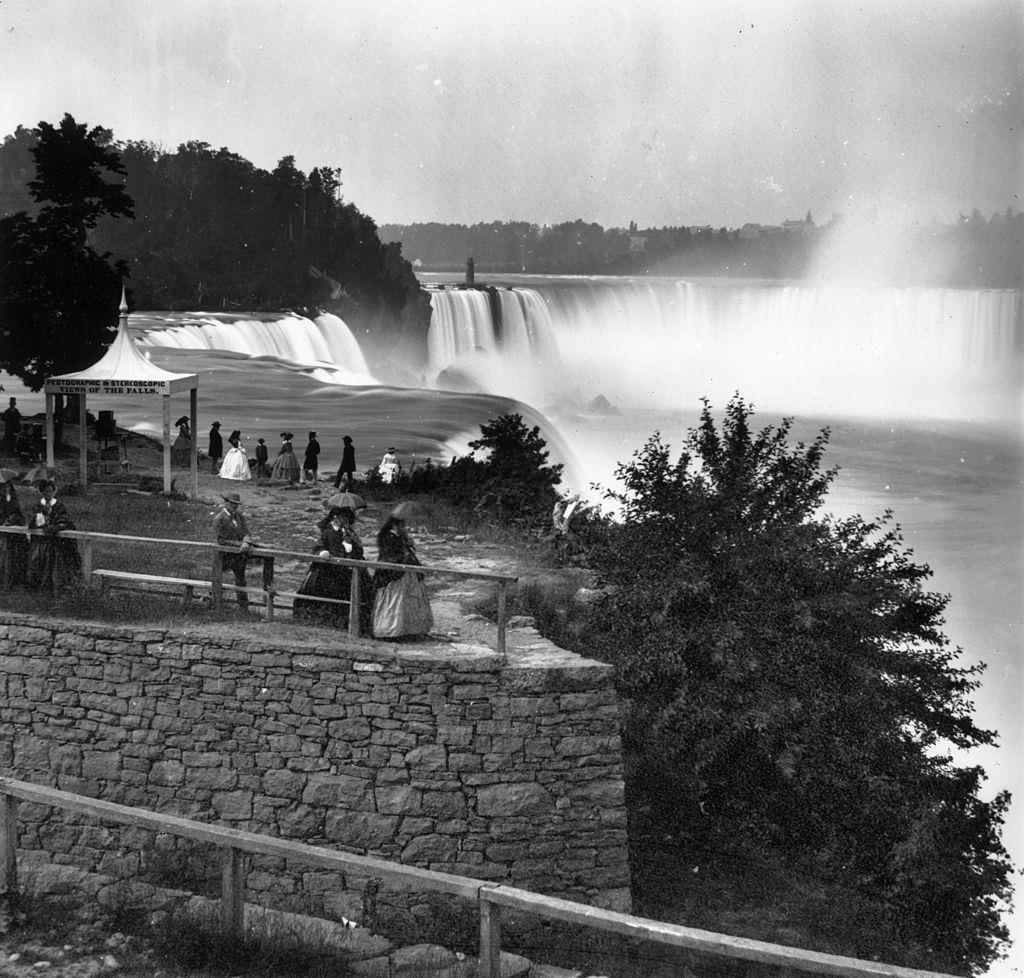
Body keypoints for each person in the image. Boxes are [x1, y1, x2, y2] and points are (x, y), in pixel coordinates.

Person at [293, 506, 371, 628]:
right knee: (327, 595)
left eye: (347, 518)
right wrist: (323, 552)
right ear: (336, 517)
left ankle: (352, 623)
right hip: (329, 571)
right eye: (342, 517)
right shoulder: (328, 532)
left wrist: (351, 547)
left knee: (355, 594)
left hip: (349, 571)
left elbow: (359, 552)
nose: (345, 520)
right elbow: (318, 547)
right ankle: (327, 621)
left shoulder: (351, 533)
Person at [371, 504, 433, 639]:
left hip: (406, 574)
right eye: (402, 526)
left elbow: (407, 554)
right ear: (395, 525)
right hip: (393, 576)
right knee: (395, 602)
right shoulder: (388, 537)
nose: (405, 528)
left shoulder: (400, 537)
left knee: (410, 601)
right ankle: (390, 631)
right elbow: (388, 557)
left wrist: (408, 546)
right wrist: (404, 555)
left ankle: (411, 630)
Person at [25, 479, 82, 593]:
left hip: (57, 541)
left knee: (56, 559)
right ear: (41, 492)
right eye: (45, 491)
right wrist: (43, 516)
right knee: (36, 559)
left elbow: (65, 520)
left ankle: (56, 586)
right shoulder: (38, 506)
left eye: (50, 491)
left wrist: (55, 525)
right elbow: (35, 523)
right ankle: (39, 586)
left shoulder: (59, 506)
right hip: (41, 540)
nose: (48, 494)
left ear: (54, 492)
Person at [213, 491, 254, 608]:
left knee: (241, 579)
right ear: (226, 503)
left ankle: (244, 606)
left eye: (236, 504)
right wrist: (239, 544)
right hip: (224, 555)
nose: (234, 507)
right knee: (217, 578)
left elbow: (246, 532)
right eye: (232, 504)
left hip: (239, 555)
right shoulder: (219, 519)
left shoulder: (239, 517)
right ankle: (215, 602)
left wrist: (246, 542)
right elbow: (221, 540)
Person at [0, 477, 27, 589]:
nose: (6, 488)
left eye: (8, 486)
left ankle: (14, 581)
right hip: (2, 533)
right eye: (3, 486)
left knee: (14, 558)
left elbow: (19, 514)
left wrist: (11, 520)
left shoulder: (14, 499)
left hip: (14, 535)